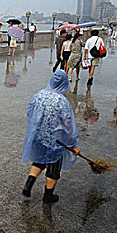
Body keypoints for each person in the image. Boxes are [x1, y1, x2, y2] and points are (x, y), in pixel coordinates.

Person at [21, 69, 80, 203]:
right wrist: (72, 145)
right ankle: (48, 196)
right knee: (53, 167)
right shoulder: (62, 101)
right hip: (56, 141)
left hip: (39, 137)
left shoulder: (39, 95)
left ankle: (29, 184)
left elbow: (30, 113)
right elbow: (68, 124)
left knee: (40, 160)